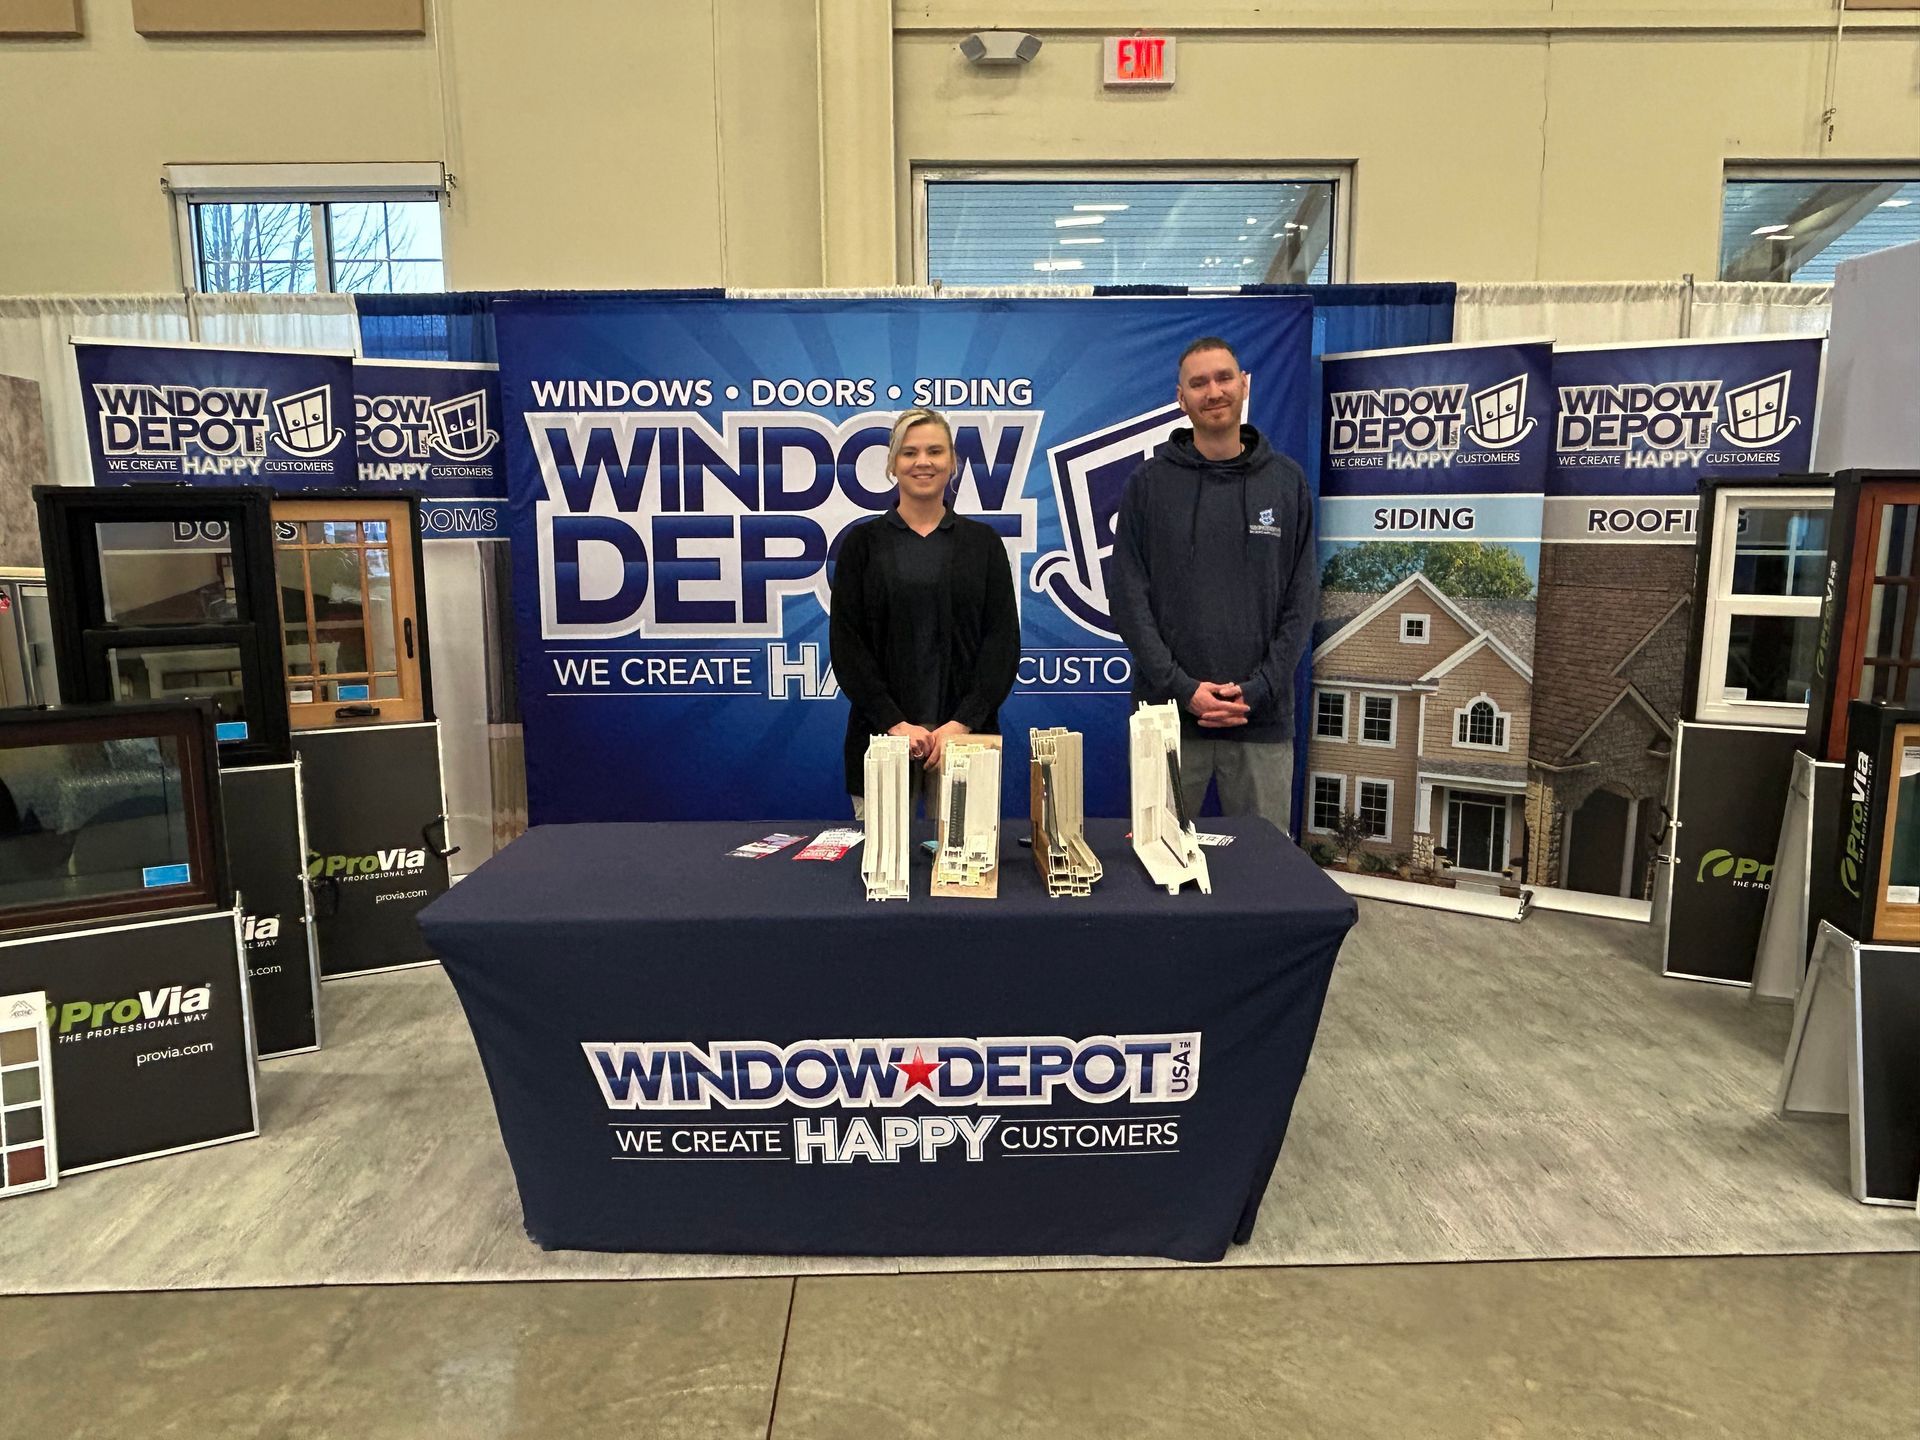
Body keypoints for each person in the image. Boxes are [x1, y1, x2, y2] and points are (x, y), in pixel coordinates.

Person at [1109, 336, 1319, 833]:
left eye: (1224, 378)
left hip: (1261, 720)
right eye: (1198, 383)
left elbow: (1302, 597)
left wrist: (1260, 688)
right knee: (1159, 872)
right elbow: (1128, 598)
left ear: (1244, 385)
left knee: (1265, 879)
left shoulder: (1286, 483)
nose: (1213, 391)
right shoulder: (1148, 484)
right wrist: (1183, 688)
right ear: (1181, 399)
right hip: (1166, 717)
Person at [830, 408, 1020, 818]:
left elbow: (1001, 643)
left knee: (962, 877)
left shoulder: (983, 544)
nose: (922, 462)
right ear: (892, 464)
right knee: (886, 876)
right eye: (909, 452)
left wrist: (961, 724)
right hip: (881, 739)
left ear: (952, 462)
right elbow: (847, 646)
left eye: (935, 451)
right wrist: (894, 724)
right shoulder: (861, 545)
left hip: (967, 742)